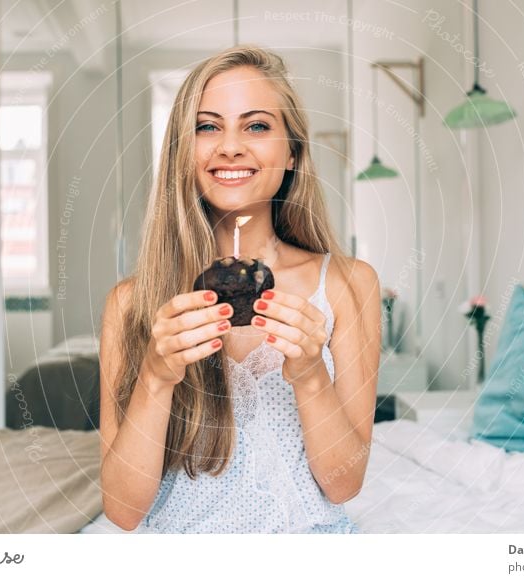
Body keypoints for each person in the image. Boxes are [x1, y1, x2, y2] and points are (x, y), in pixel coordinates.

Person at [97, 45, 381, 534]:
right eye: (208, 126)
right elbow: (123, 511)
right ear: (182, 152)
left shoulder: (350, 284)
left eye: (256, 126)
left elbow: (344, 484)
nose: (230, 146)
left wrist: (311, 375)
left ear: (292, 151)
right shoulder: (130, 305)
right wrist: (157, 377)